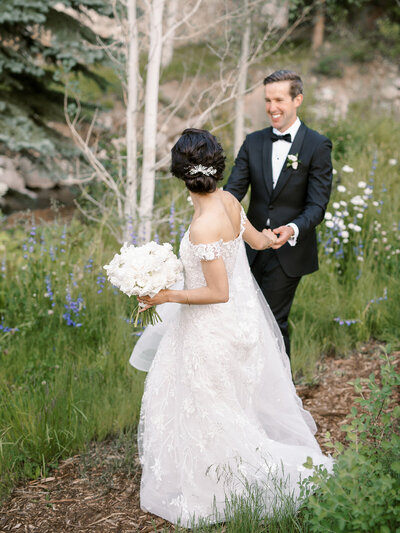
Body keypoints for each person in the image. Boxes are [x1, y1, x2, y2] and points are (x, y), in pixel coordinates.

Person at [130, 128, 332, 527]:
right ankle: (217, 472)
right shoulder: (227, 201)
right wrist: (279, 236)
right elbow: (256, 242)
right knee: (223, 405)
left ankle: (218, 486)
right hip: (240, 324)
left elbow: (217, 291)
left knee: (208, 407)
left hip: (212, 329)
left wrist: (165, 294)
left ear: (178, 172)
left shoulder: (204, 224)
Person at [225, 70, 333, 358]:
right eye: (267, 100)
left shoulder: (317, 145)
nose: (272, 108)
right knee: (242, 320)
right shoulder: (253, 142)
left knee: (272, 321)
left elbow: (317, 205)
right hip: (249, 247)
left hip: (290, 251)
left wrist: (293, 229)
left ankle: (280, 395)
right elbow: (233, 191)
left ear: (297, 99)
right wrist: (214, 212)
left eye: (279, 100)